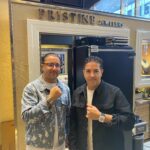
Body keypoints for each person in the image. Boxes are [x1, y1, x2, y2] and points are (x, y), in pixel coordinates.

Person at [68, 56, 135, 150]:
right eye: (88, 71)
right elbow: (73, 126)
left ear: (101, 72)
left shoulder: (114, 92)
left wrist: (101, 116)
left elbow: (129, 121)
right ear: (83, 73)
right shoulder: (77, 93)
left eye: (96, 71)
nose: (92, 75)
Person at [21, 53, 71, 150]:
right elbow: (26, 117)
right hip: (37, 145)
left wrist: (67, 137)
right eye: (50, 64)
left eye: (57, 65)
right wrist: (49, 99)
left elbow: (67, 116)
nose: (54, 68)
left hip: (60, 145)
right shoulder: (31, 88)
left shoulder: (65, 89)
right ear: (42, 66)